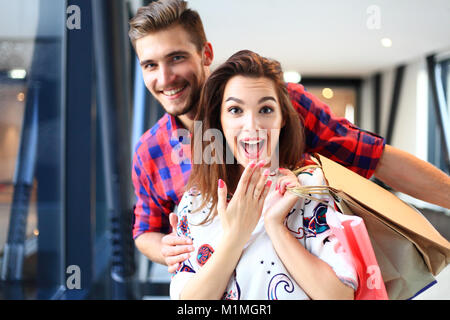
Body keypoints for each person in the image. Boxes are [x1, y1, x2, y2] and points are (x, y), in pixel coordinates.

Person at [128, 0, 450, 273]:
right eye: (150, 65)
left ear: (206, 53)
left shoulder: (284, 106)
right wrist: (165, 249)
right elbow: (145, 231)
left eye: (176, 58)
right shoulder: (149, 152)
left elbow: (374, 157)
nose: (165, 77)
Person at [170, 50, 358, 300]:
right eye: (236, 110)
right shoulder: (196, 203)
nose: (252, 125)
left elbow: (339, 297)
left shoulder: (310, 189)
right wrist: (235, 238)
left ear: (282, 119)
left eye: (266, 110)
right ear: (220, 121)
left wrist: (275, 226)